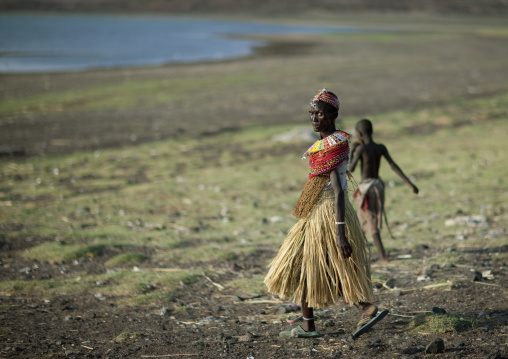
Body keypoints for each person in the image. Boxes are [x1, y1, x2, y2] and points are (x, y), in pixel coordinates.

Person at [264, 89, 387, 339]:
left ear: (332, 115)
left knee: (321, 264)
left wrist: (340, 232)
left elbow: (340, 190)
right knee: (303, 264)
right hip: (317, 212)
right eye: (311, 113)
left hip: (330, 213)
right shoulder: (326, 144)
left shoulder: (335, 144)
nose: (314, 118)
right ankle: (312, 323)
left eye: (319, 113)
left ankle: (364, 307)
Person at [349, 118, 419, 263]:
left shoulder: (362, 149)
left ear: (359, 134)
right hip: (378, 186)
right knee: (364, 220)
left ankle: (383, 257)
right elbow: (393, 165)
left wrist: (352, 152)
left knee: (370, 221)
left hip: (367, 189)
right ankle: (359, 256)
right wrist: (410, 184)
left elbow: (351, 168)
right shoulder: (380, 147)